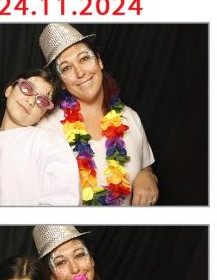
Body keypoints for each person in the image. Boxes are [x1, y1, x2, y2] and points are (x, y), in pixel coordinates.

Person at [38, 23, 158, 206]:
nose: (80, 72)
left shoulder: (130, 117)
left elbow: (146, 166)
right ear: (60, 82)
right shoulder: (46, 129)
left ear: (99, 61)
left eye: (84, 58)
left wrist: (148, 175)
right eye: (66, 68)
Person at [0, 69, 80, 206]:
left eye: (43, 101)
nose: (31, 101)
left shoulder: (48, 142)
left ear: (42, 115)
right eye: (27, 88)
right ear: (9, 90)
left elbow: (64, 202)